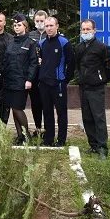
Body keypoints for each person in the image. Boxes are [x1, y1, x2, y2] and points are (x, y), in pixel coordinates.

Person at [75, 18, 110, 159]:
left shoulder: (102, 48)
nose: (85, 32)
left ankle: (103, 148)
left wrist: (102, 80)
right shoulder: (79, 48)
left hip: (96, 88)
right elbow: (78, 66)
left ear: (94, 30)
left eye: (88, 29)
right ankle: (93, 146)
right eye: (83, 29)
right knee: (87, 118)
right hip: (83, 87)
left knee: (99, 118)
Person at [0, 14, 39, 144]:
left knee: (17, 108)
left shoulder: (31, 43)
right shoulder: (11, 42)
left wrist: (29, 79)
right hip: (9, 80)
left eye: (19, 25)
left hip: (22, 81)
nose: (17, 27)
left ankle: (26, 135)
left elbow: (33, 63)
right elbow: (5, 60)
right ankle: (20, 136)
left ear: (25, 26)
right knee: (12, 107)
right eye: (15, 25)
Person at [37, 16, 75, 147]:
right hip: (44, 84)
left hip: (58, 84)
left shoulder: (64, 42)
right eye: (46, 26)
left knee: (61, 113)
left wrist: (64, 80)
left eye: (51, 26)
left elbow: (71, 63)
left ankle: (61, 140)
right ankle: (48, 139)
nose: (48, 28)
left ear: (57, 26)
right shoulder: (41, 44)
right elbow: (39, 62)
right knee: (47, 112)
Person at [27, 10, 48, 137]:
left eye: (42, 21)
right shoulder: (30, 35)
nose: (40, 23)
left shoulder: (50, 34)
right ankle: (38, 127)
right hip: (34, 75)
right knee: (35, 102)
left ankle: (47, 127)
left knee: (46, 102)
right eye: (37, 21)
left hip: (46, 75)